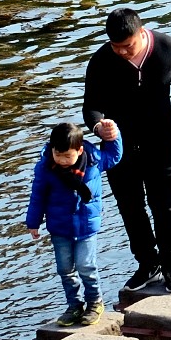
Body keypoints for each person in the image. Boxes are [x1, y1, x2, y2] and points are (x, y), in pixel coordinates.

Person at [82, 8, 171, 291]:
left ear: (141, 32)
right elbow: (91, 107)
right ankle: (148, 264)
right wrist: (99, 127)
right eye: (116, 46)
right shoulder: (100, 61)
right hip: (118, 148)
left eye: (128, 46)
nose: (122, 52)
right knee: (130, 206)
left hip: (159, 141)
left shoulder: (166, 47)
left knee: (164, 205)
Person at [25, 120, 122, 327]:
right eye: (57, 155)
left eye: (67, 156)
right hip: (60, 227)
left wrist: (113, 135)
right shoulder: (45, 169)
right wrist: (33, 222)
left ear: (79, 150)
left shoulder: (94, 161)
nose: (62, 161)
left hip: (86, 226)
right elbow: (38, 196)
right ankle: (74, 305)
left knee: (86, 265)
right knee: (65, 268)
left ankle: (95, 302)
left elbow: (114, 156)